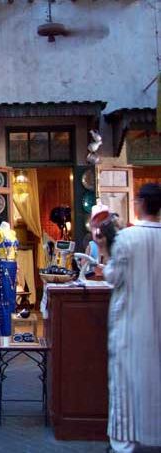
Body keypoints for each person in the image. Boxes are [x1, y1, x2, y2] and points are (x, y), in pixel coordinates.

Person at [96, 183, 161, 453]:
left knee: (126, 385)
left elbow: (114, 277)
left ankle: (123, 443)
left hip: (131, 326)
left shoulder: (127, 239)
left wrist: (104, 250)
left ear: (140, 204)